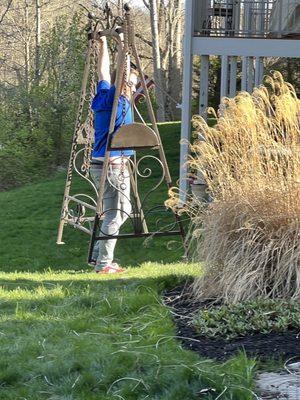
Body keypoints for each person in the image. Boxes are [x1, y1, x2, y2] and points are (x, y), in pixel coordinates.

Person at [89, 35, 138, 274]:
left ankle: (99, 257)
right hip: (114, 165)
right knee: (120, 214)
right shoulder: (120, 104)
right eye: (132, 83)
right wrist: (124, 50)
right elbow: (119, 74)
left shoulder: (103, 97)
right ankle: (104, 264)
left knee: (111, 213)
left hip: (98, 163)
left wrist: (105, 45)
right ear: (126, 86)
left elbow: (104, 73)